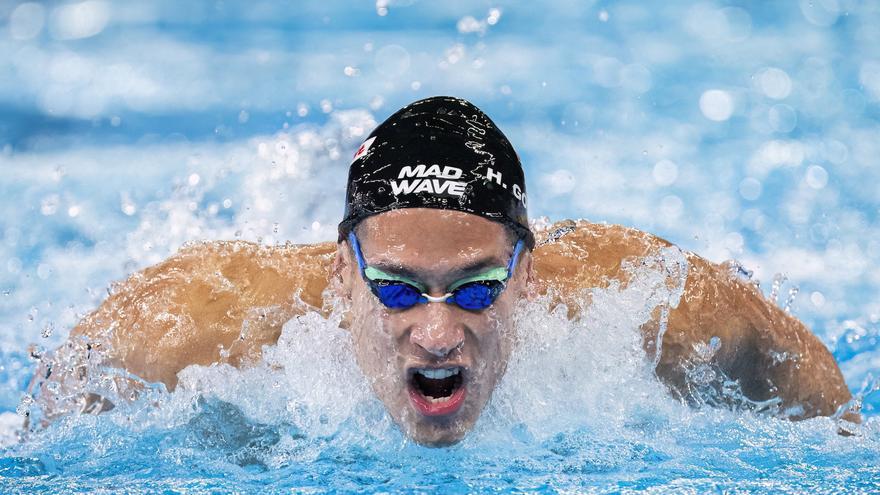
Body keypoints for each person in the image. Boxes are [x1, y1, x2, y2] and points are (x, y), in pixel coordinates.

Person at [29, 96, 857, 446]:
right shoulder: (193, 325)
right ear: (341, 274)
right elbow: (52, 417)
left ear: (528, 276)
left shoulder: (658, 307)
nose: (436, 334)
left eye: (476, 288)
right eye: (395, 288)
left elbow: (824, 406)